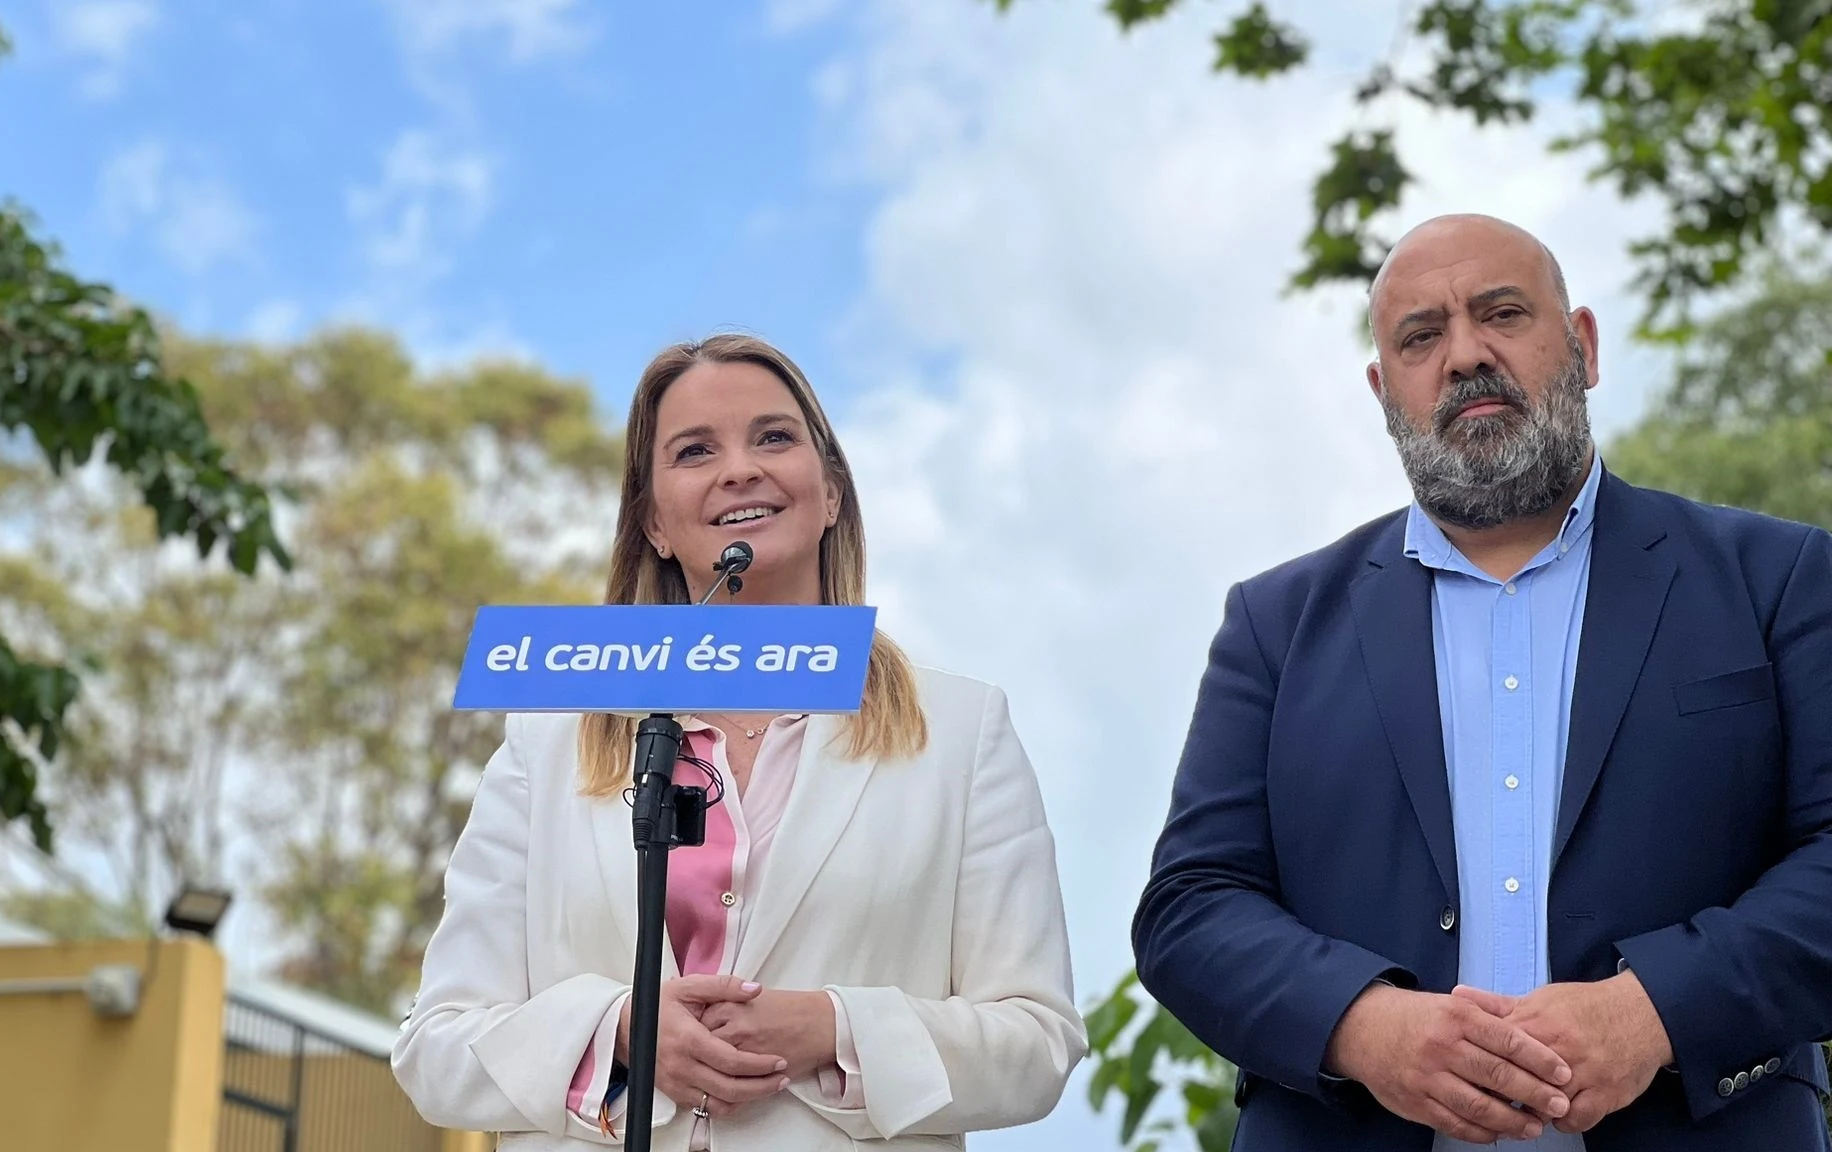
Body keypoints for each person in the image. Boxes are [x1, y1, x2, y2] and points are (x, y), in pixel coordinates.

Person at [1132, 213, 1832, 1151]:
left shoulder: (1775, 579)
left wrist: (1652, 1012)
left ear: (1582, 345)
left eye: (1502, 313)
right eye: (1422, 336)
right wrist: (1365, 1026)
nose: (1464, 355)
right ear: (1386, 391)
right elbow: (1192, 905)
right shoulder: (1275, 625)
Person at [394, 333, 1086, 1150]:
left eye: (774, 437)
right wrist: (622, 1031)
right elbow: (435, 1046)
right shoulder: (548, 738)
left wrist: (834, 1028)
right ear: (653, 521)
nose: (739, 469)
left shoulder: (964, 732)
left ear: (831, 493)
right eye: (695, 451)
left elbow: (1037, 1041)